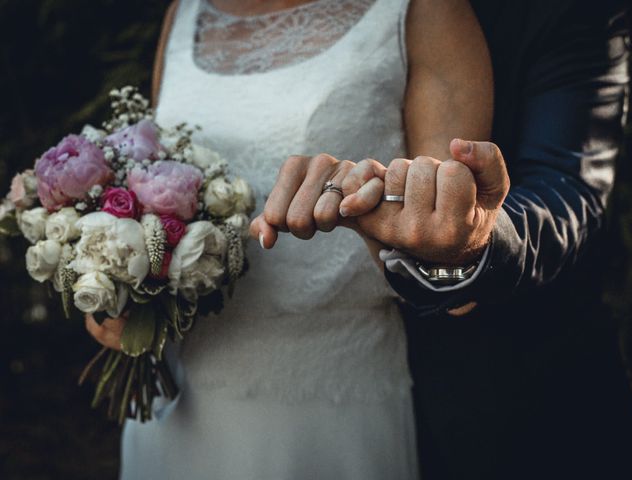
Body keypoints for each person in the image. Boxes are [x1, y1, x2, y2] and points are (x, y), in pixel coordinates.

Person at [85, 0, 494, 478]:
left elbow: (453, 253)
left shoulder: (425, 10)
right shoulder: (186, 12)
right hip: (176, 396)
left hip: (328, 398)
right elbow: (153, 175)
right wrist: (118, 293)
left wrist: (440, 250)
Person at [252, 0, 632, 479]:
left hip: (519, 403)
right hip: (222, 371)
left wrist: (478, 240)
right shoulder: (192, 13)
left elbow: (569, 190)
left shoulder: (561, 12)